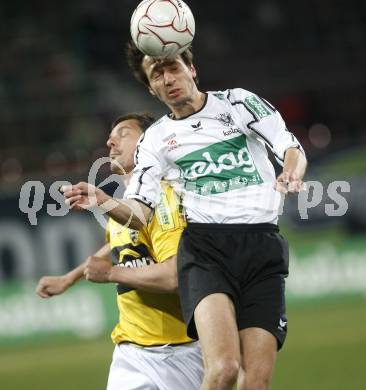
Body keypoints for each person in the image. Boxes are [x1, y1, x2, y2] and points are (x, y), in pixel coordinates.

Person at [62, 44, 307, 390]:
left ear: (191, 68)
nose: (168, 78)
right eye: (157, 74)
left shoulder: (237, 103)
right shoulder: (157, 139)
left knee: (255, 382)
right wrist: (102, 201)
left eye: (172, 67)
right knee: (223, 369)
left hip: (262, 247)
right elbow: (140, 214)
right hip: (207, 251)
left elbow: (289, 146)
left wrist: (292, 171)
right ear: (151, 88)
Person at [37, 113, 203, 390]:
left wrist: (113, 273)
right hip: (131, 350)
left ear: (150, 142)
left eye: (123, 133)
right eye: (111, 136)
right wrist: (70, 277)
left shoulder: (164, 199)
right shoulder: (126, 206)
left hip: (176, 353)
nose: (110, 141)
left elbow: (175, 276)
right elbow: (118, 244)